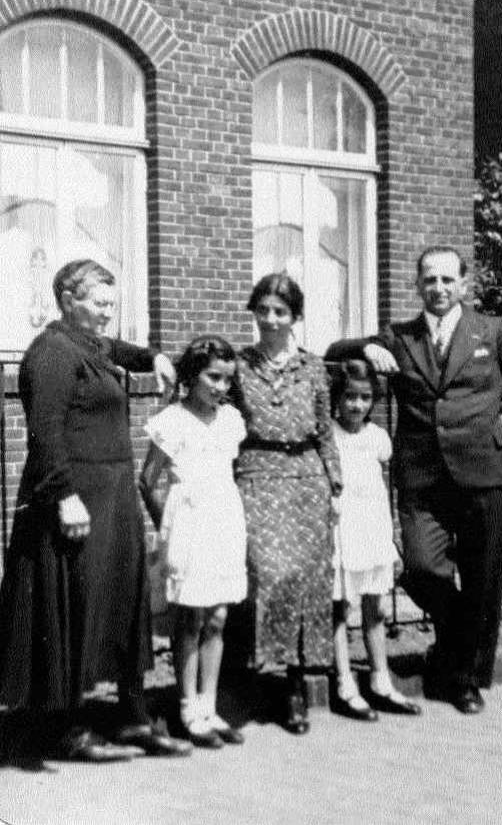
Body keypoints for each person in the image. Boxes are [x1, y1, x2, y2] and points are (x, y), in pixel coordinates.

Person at [326, 246, 502, 714]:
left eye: (446, 280)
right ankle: (461, 637)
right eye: (429, 280)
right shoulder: (400, 337)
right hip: (423, 477)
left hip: (486, 472)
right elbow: (336, 352)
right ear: (417, 285)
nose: (438, 289)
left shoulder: (493, 331)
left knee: (482, 579)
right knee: (421, 567)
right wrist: (366, 348)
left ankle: (464, 679)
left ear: (464, 284)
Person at [0, 259, 192, 761]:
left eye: (112, 304)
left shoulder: (88, 345)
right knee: (76, 609)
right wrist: (63, 495)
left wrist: (155, 357)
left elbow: (118, 349)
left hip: (114, 496)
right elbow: (46, 431)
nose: (107, 314)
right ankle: (70, 729)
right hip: (78, 498)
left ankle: (134, 719)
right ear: (67, 299)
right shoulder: (52, 355)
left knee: (124, 601)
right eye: (98, 304)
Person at [234, 273, 343, 734]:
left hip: (308, 478)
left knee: (307, 579)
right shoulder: (238, 365)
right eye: (263, 310)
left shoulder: (315, 368)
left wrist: (335, 482)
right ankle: (261, 672)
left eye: (280, 311)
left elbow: (323, 428)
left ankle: (296, 685)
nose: (270, 319)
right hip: (258, 473)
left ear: (295, 317)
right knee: (268, 573)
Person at [139, 336, 247, 749]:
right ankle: (186, 707)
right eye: (212, 377)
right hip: (188, 523)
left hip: (223, 519)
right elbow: (147, 481)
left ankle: (208, 704)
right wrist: (168, 528)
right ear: (191, 375)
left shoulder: (230, 420)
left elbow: (226, 472)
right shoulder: (172, 420)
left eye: (226, 379)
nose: (220, 386)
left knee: (218, 615)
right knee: (191, 617)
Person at [329, 358, 421, 720]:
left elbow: (385, 490)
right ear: (338, 397)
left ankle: (381, 680)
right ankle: (345, 682)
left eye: (365, 398)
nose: (357, 404)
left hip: (372, 528)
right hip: (342, 530)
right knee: (340, 607)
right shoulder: (329, 435)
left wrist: (393, 537)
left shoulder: (378, 438)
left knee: (377, 607)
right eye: (350, 396)